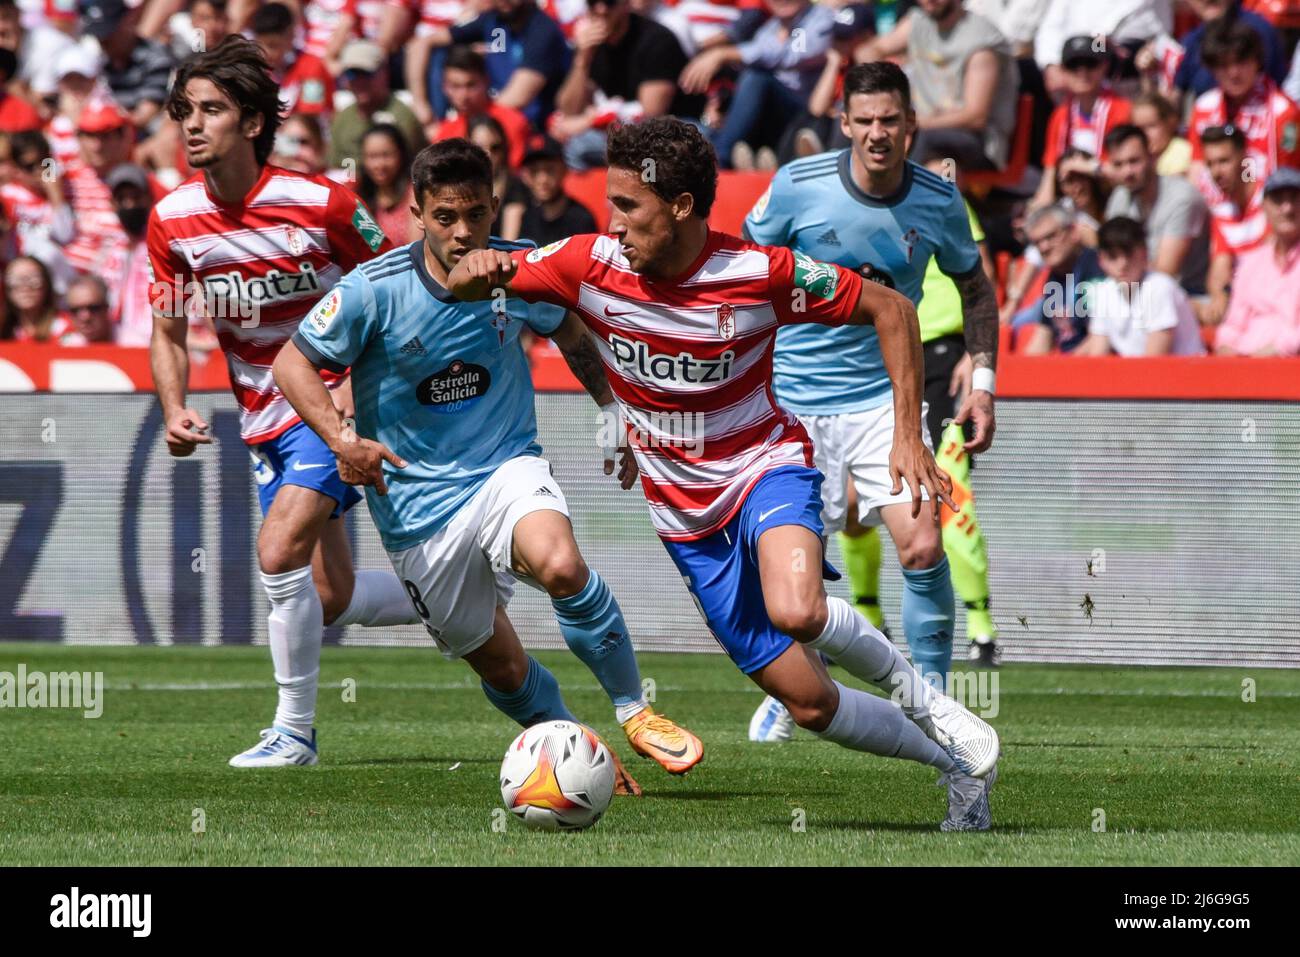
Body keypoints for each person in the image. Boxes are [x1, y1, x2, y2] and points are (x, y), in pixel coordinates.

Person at [445, 116, 1002, 832]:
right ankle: (955, 764)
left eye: (628, 207)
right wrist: (481, 269)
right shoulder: (584, 263)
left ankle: (935, 703)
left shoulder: (758, 273)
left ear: (680, 207)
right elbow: (460, 278)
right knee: (811, 704)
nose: (613, 224)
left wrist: (905, 437)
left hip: (765, 467)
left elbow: (891, 308)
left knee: (796, 608)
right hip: (686, 521)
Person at [275, 138, 704, 777]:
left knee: (560, 565)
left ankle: (634, 709)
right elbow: (292, 363)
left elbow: (571, 330)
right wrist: (342, 438)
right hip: (418, 510)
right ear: (417, 214)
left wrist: (612, 410)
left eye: (476, 214)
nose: (462, 231)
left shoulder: (517, 271)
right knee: (501, 666)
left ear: (495, 207)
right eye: (444, 217)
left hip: (506, 468)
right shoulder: (373, 290)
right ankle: (577, 752)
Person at [147, 35, 424, 768]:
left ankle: (294, 732)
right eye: (185, 112)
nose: (193, 125)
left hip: (335, 405)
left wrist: (357, 391)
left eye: (211, 109)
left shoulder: (324, 203)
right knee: (327, 594)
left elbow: (397, 287)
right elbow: (169, 326)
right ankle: (464, 588)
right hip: (263, 418)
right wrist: (174, 405)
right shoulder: (172, 219)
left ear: (254, 123)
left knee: (276, 551)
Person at [741, 62, 1002, 739]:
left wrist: (983, 385)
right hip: (794, 402)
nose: (879, 133)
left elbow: (977, 290)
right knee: (793, 572)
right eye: (867, 120)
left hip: (889, 399)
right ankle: (798, 677)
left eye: (892, 120)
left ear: (911, 125)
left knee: (920, 545)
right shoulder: (798, 187)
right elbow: (744, 274)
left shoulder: (939, 202)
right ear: (846, 123)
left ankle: (937, 705)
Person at [678, 0, 837, 170]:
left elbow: (790, 55)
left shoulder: (823, 18)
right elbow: (754, 56)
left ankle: (720, 160)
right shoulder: (769, 28)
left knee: (757, 78)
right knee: (690, 126)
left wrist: (722, 54)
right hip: (768, 120)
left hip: (807, 116)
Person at [864, 0, 1019, 173]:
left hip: (978, 141)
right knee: (859, 115)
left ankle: (893, 192)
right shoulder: (917, 22)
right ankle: (839, 185)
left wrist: (915, 123)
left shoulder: (982, 41)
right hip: (928, 137)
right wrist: (883, 86)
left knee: (924, 141)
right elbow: (871, 50)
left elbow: (975, 117)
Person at [553, 0, 702, 170]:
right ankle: (608, 194)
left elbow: (651, 115)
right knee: (572, 147)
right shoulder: (591, 46)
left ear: (625, 4)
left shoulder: (656, 39)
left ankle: (645, 194)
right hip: (623, 131)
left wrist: (591, 120)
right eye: (593, 2)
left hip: (675, 131)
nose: (601, 9)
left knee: (585, 146)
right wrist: (582, 61)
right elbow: (568, 110)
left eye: (610, 2)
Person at [410, 0, 573, 130]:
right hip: (489, 116)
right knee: (442, 56)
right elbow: (422, 44)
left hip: (531, 126)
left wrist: (464, 125)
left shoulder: (542, 30)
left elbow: (517, 98)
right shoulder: (494, 22)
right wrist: (421, 104)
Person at [1188, 15, 1300, 201]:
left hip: (1268, 210)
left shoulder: (1284, 112)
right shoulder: (1203, 108)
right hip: (1214, 212)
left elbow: (1288, 173)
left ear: (1257, 62)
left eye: (1241, 62)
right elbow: (1197, 167)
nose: (1234, 73)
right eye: (1224, 65)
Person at [1075, 216, 1207, 356]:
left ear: (1144, 254)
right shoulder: (1105, 290)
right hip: (1139, 373)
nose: (1122, 264)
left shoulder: (1159, 287)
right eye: (1113, 256)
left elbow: (1154, 362)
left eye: (1129, 254)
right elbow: (1097, 355)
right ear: (1101, 260)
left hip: (1186, 374)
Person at [1102, 124, 1210, 294]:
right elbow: (1112, 257)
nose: (1127, 172)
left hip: (1189, 294)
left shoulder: (1182, 198)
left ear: (1152, 157)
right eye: (1118, 165)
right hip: (1138, 292)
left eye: (1134, 161)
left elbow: (1165, 273)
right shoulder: (1120, 197)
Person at [1030, 37, 1130, 212]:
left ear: (1104, 66)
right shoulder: (1060, 115)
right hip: (1071, 200)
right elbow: (1050, 172)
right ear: (1063, 70)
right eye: (1073, 65)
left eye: (1090, 64)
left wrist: (1086, 167)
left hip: (1113, 196)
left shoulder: (1123, 110)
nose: (1082, 72)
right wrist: (1037, 212)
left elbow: (1125, 172)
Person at [1214, 166, 1300, 356]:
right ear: (1264, 207)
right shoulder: (1251, 263)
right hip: (1245, 365)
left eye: (1294, 198)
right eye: (1278, 200)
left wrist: (1278, 350)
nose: (1287, 208)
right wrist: (1226, 347)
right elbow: (1233, 323)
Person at [1015, 203, 1107, 354]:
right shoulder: (1054, 279)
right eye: (1037, 242)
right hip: (1069, 366)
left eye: (1050, 236)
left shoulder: (1096, 268)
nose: (1044, 247)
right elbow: (1042, 339)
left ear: (1073, 232)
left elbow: (1101, 340)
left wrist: (1064, 371)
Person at [1200, 124, 1266, 326]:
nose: (1216, 172)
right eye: (1210, 164)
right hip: (1242, 302)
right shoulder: (1221, 211)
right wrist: (1219, 295)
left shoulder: (1272, 200)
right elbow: (1220, 267)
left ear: (1245, 160)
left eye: (1224, 161)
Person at [428, 46, 532, 170]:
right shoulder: (445, 133)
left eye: (470, 85)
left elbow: (517, 172)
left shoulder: (514, 122)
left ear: (486, 81)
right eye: (455, 86)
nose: (463, 95)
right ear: (444, 87)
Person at [78, 0, 176, 131]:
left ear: (127, 22)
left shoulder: (155, 58)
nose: (103, 41)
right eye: (100, 36)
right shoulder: (101, 60)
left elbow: (144, 115)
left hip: (145, 135)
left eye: (108, 34)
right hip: (107, 133)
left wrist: (105, 119)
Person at [328, 40, 424, 170]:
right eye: (352, 74)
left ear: (384, 72)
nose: (359, 81)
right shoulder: (342, 119)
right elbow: (335, 166)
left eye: (366, 73)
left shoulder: (402, 117)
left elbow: (409, 168)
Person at [249, 2, 334, 119]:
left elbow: (310, 117)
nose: (265, 53)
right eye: (259, 46)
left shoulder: (312, 68)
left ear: (290, 35)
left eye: (273, 45)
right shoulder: (259, 73)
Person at [517, 134, 597, 247]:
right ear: (525, 176)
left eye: (550, 169)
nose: (542, 179)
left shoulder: (581, 220)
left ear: (564, 169)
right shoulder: (528, 217)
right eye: (534, 171)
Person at [468, 113, 529, 239]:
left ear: (504, 148)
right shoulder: (456, 184)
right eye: (479, 148)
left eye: (495, 147)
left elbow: (509, 242)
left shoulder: (514, 187)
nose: (488, 154)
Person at [357, 123, 417, 245]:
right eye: (372, 156)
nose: (379, 165)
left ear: (401, 155)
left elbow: (416, 248)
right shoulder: (360, 199)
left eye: (386, 155)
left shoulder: (414, 195)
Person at [1, 255, 74, 342]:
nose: (25, 287)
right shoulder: (4, 330)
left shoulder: (65, 326)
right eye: (16, 280)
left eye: (34, 279)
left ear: (46, 285)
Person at [1130, 91, 1191, 176]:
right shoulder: (1133, 157)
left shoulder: (1183, 152)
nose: (1144, 134)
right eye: (1138, 128)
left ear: (1170, 123)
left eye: (1151, 126)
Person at [64, 274, 115, 344]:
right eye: (75, 310)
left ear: (107, 308)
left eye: (93, 308)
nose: (85, 317)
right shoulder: (65, 347)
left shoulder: (130, 343)